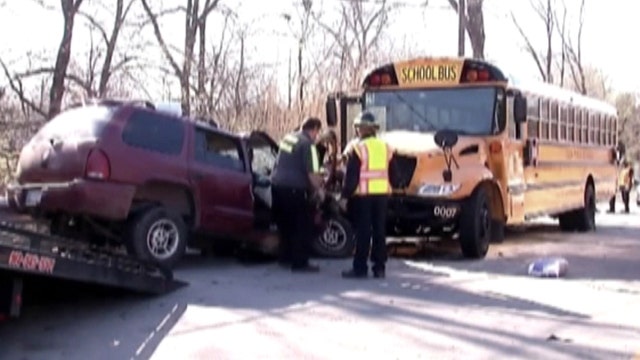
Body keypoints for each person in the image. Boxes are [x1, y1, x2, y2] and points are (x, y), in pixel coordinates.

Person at [339, 111, 397, 279]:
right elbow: (394, 173)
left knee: (363, 232)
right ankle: (379, 268)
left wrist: (344, 196)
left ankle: (360, 268)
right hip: (382, 197)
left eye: (358, 128)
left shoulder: (358, 149)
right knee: (380, 231)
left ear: (361, 129)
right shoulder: (386, 147)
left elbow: (352, 177)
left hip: (363, 196)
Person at [271, 117, 325, 273]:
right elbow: (312, 173)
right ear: (314, 129)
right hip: (295, 189)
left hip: (277, 186)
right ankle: (300, 263)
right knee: (302, 227)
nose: (317, 136)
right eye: (317, 132)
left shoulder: (288, 138)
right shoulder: (308, 145)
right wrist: (319, 191)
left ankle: (285, 258)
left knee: (285, 225)